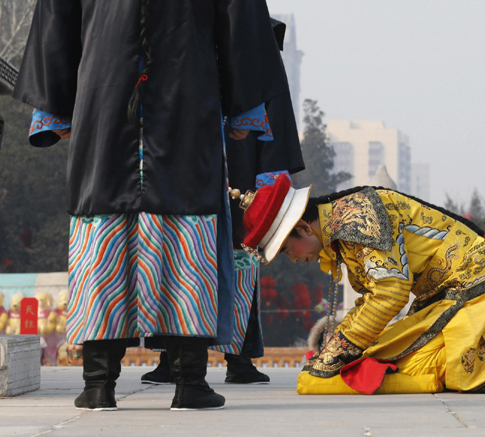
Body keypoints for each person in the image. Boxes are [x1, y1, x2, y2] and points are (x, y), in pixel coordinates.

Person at [14, 0, 290, 411]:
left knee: (102, 238)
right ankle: (189, 383)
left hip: (103, 106)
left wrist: (55, 107)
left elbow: (55, 22)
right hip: (186, 107)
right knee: (187, 239)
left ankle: (98, 384)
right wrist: (242, 108)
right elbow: (242, 23)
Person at [238, 175, 485, 394]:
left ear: (302, 228)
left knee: (438, 365)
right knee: (382, 358)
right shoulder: (341, 227)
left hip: (477, 282)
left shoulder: (356, 217)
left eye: (286, 249)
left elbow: (390, 293)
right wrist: (341, 347)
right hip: (446, 294)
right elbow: (376, 296)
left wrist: (339, 348)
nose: (294, 258)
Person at [141, 18, 305, 386]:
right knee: (176, 264)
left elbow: (275, 136)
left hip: (238, 190)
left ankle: (239, 360)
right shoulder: (189, 59)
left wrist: (268, 189)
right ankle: (172, 358)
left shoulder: (263, 70)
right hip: (187, 182)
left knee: (240, 270)